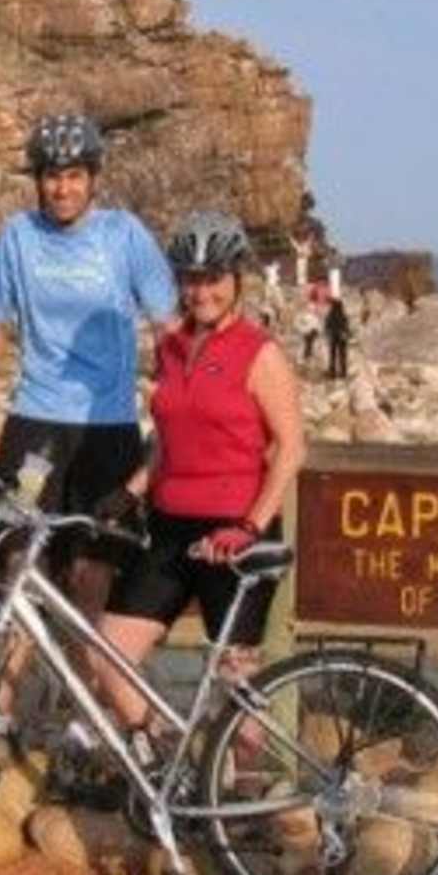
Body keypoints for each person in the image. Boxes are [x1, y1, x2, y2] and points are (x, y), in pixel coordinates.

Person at [0, 113, 178, 723]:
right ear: (39, 180)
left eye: (74, 176)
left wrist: (182, 412)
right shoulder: (16, 237)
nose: (63, 189)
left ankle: (85, 716)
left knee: (91, 571)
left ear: (93, 178)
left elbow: (169, 329)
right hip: (35, 424)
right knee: (14, 561)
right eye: (52, 177)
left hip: (108, 429)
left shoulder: (124, 235)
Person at [90, 211, 306, 738]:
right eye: (190, 278)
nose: (201, 291)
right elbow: (169, 436)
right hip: (168, 527)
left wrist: (251, 527)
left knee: (238, 687)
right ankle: (171, 759)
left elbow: (292, 449)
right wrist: (130, 491)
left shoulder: (260, 354)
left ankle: (241, 807)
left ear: (237, 280)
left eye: (213, 278)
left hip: (235, 531)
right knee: (107, 657)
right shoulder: (170, 347)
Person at [324, 298, 351, 380]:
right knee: (342, 355)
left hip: (333, 337)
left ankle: (332, 372)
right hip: (342, 338)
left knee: (333, 356)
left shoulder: (330, 315)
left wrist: (328, 334)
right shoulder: (343, 315)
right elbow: (346, 327)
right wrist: (347, 334)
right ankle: (343, 372)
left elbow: (327, 326)